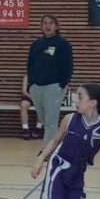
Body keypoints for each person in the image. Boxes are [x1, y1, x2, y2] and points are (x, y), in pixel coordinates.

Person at [27, 14, 73, 146]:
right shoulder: (36, 44)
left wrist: (61, 85)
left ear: (56, 26)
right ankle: (56, 145)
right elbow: (30, 64)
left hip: (53, 86)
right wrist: (31, 83)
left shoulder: (63, 44)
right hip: (36, 87)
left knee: (51, 120)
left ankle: (48, 150)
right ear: (41, 27)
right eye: (45, 23)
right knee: (44, 120)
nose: (48, 25)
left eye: (51, 23)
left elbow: (68, 67)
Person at [19, 74, 44, 140]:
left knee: (42, 105)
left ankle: (38, 128)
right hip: (29, 96)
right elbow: (24, 91)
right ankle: (25, 129)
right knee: (23, 104)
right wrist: (32, 97)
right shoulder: (27, 77)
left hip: (39, 97)